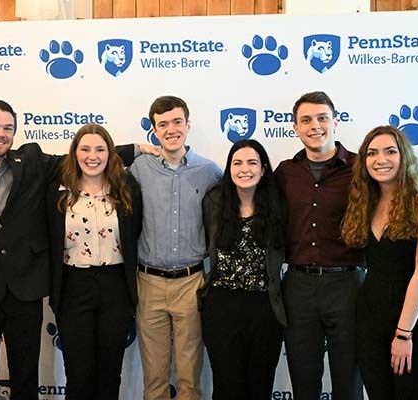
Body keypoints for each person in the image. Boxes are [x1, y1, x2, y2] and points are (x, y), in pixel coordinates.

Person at [0, 99, 142, 399]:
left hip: (27, 289)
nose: (1, 133)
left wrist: (140, 149)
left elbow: (85, 158)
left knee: (28, 375)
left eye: (8, 128)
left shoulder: (31, 163)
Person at [341, 125, 418, 399]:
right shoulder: (365, 202)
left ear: (404, 157)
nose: (381, 159)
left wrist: (403, 334)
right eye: (372, 153)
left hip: (414, 326)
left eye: (390, 151)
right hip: (370, 324)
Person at [130, 95, 222, 400]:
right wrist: (135, 148)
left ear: (188, 124)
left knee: (189, 378)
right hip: (150, 282)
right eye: (162, 124)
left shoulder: (209, 172)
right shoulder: (138, 169)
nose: (171, 130)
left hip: (191, 283)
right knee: (154, 378)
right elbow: (93, 156)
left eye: (177, 122)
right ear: (154, 130)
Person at [275, 91, 365, 400]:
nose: (315, 126)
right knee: (303, 380)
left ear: (335, 122)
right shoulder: (285, 172)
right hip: (298, 286)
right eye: (306, 120)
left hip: (347, 285)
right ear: (295, 128)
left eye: (322, 118)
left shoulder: (360, 168)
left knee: (348, 381)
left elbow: (397, 192)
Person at [46, 124, 142, 400]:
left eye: (100, 149)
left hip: (115, 287)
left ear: (110, 154)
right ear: (74, 153)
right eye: (85, 148)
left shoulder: (126, 187)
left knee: (110, 373)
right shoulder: (57, 190)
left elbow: (134, 232)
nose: (92, 156)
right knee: (78, 374)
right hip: (73, 287)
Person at [200, 139, 287, 399]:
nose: (244, 169)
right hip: (221, 306)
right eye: (237, 163)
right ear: (229, 168)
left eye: (252, 162)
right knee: (227, 387)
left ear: (263, 169)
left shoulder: (278, 205)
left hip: (265, 308)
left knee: (259, 387)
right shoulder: (213, 201)